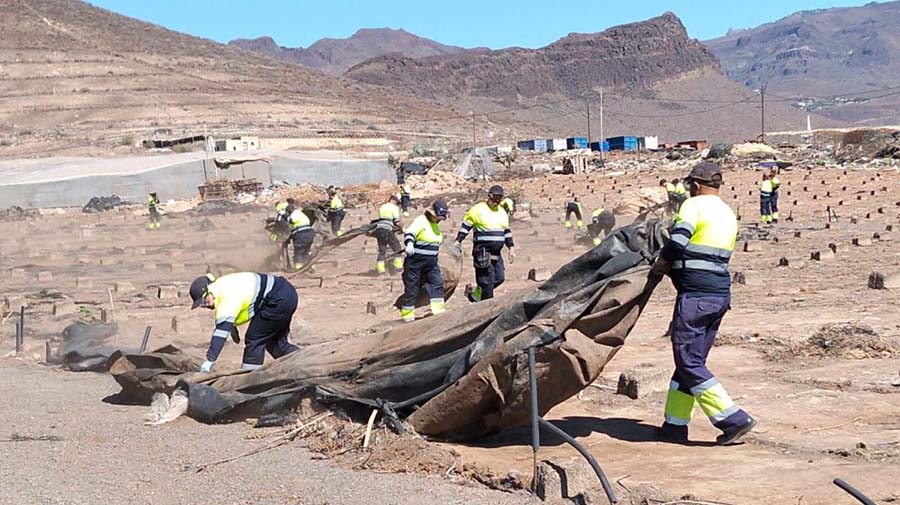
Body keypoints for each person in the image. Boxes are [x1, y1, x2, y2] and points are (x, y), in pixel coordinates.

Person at [654, 161, 756, 446]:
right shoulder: (727, 212)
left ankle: (733, 419)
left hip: (696, 297)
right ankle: (674, 426)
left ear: (695, 185)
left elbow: (676, 244)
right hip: (719, 296)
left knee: (688, 361)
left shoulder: (693, 206)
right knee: (690, 363)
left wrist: (660, 266)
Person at [189, 272, 299, 372]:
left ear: (209, 291)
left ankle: (251, 380)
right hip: (286, 293)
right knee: (276, 344)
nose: (206, 306)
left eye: (204, 301)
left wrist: (210, 360)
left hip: (277, 299)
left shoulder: (224, 296)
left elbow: (220, 333)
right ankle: (303, 363)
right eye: (202, 305)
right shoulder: (221, 286)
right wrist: (232, 325)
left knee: (254, 339)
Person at [455, 185, 515, 302]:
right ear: (489, 196)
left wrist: (511, 248)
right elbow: (466, 226)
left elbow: (507, 231)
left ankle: (476, 294)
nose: (496, 202)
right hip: (482, 251)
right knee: (487, 280)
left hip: (496, 252)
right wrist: (458, 241)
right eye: (494, 198)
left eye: (499, 199)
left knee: (499, 277)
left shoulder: (502, 212)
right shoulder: (478, 210)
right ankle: (486, 305)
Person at [400, 200, 449, 322]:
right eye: (439, 216)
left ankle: (439, 312)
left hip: (431, 264)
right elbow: (410, 232)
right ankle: (407, 314)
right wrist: (410, 243)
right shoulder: (421, 220)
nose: (440, 219)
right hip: (415, 263)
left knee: (437, 284)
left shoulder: (436, 226)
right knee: (412, 288)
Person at [375, 195, 404, 274]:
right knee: (397, 248)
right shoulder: (394, 208)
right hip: (387, 229)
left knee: (382, 250)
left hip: (379, 229)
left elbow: (383, 219)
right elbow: (397, 222)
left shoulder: (382, 207)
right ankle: (398, 268)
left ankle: (380, 270)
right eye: (397, 202)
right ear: (394, 200)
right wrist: (401, 229)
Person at [287, 204, 314, 271]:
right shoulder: (300, 214)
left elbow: (291, 224)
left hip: (301, 234)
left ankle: (299, 268)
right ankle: (309, 266)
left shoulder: (293, 215)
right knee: (306, 251)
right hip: (310, 233)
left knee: (298, 251)